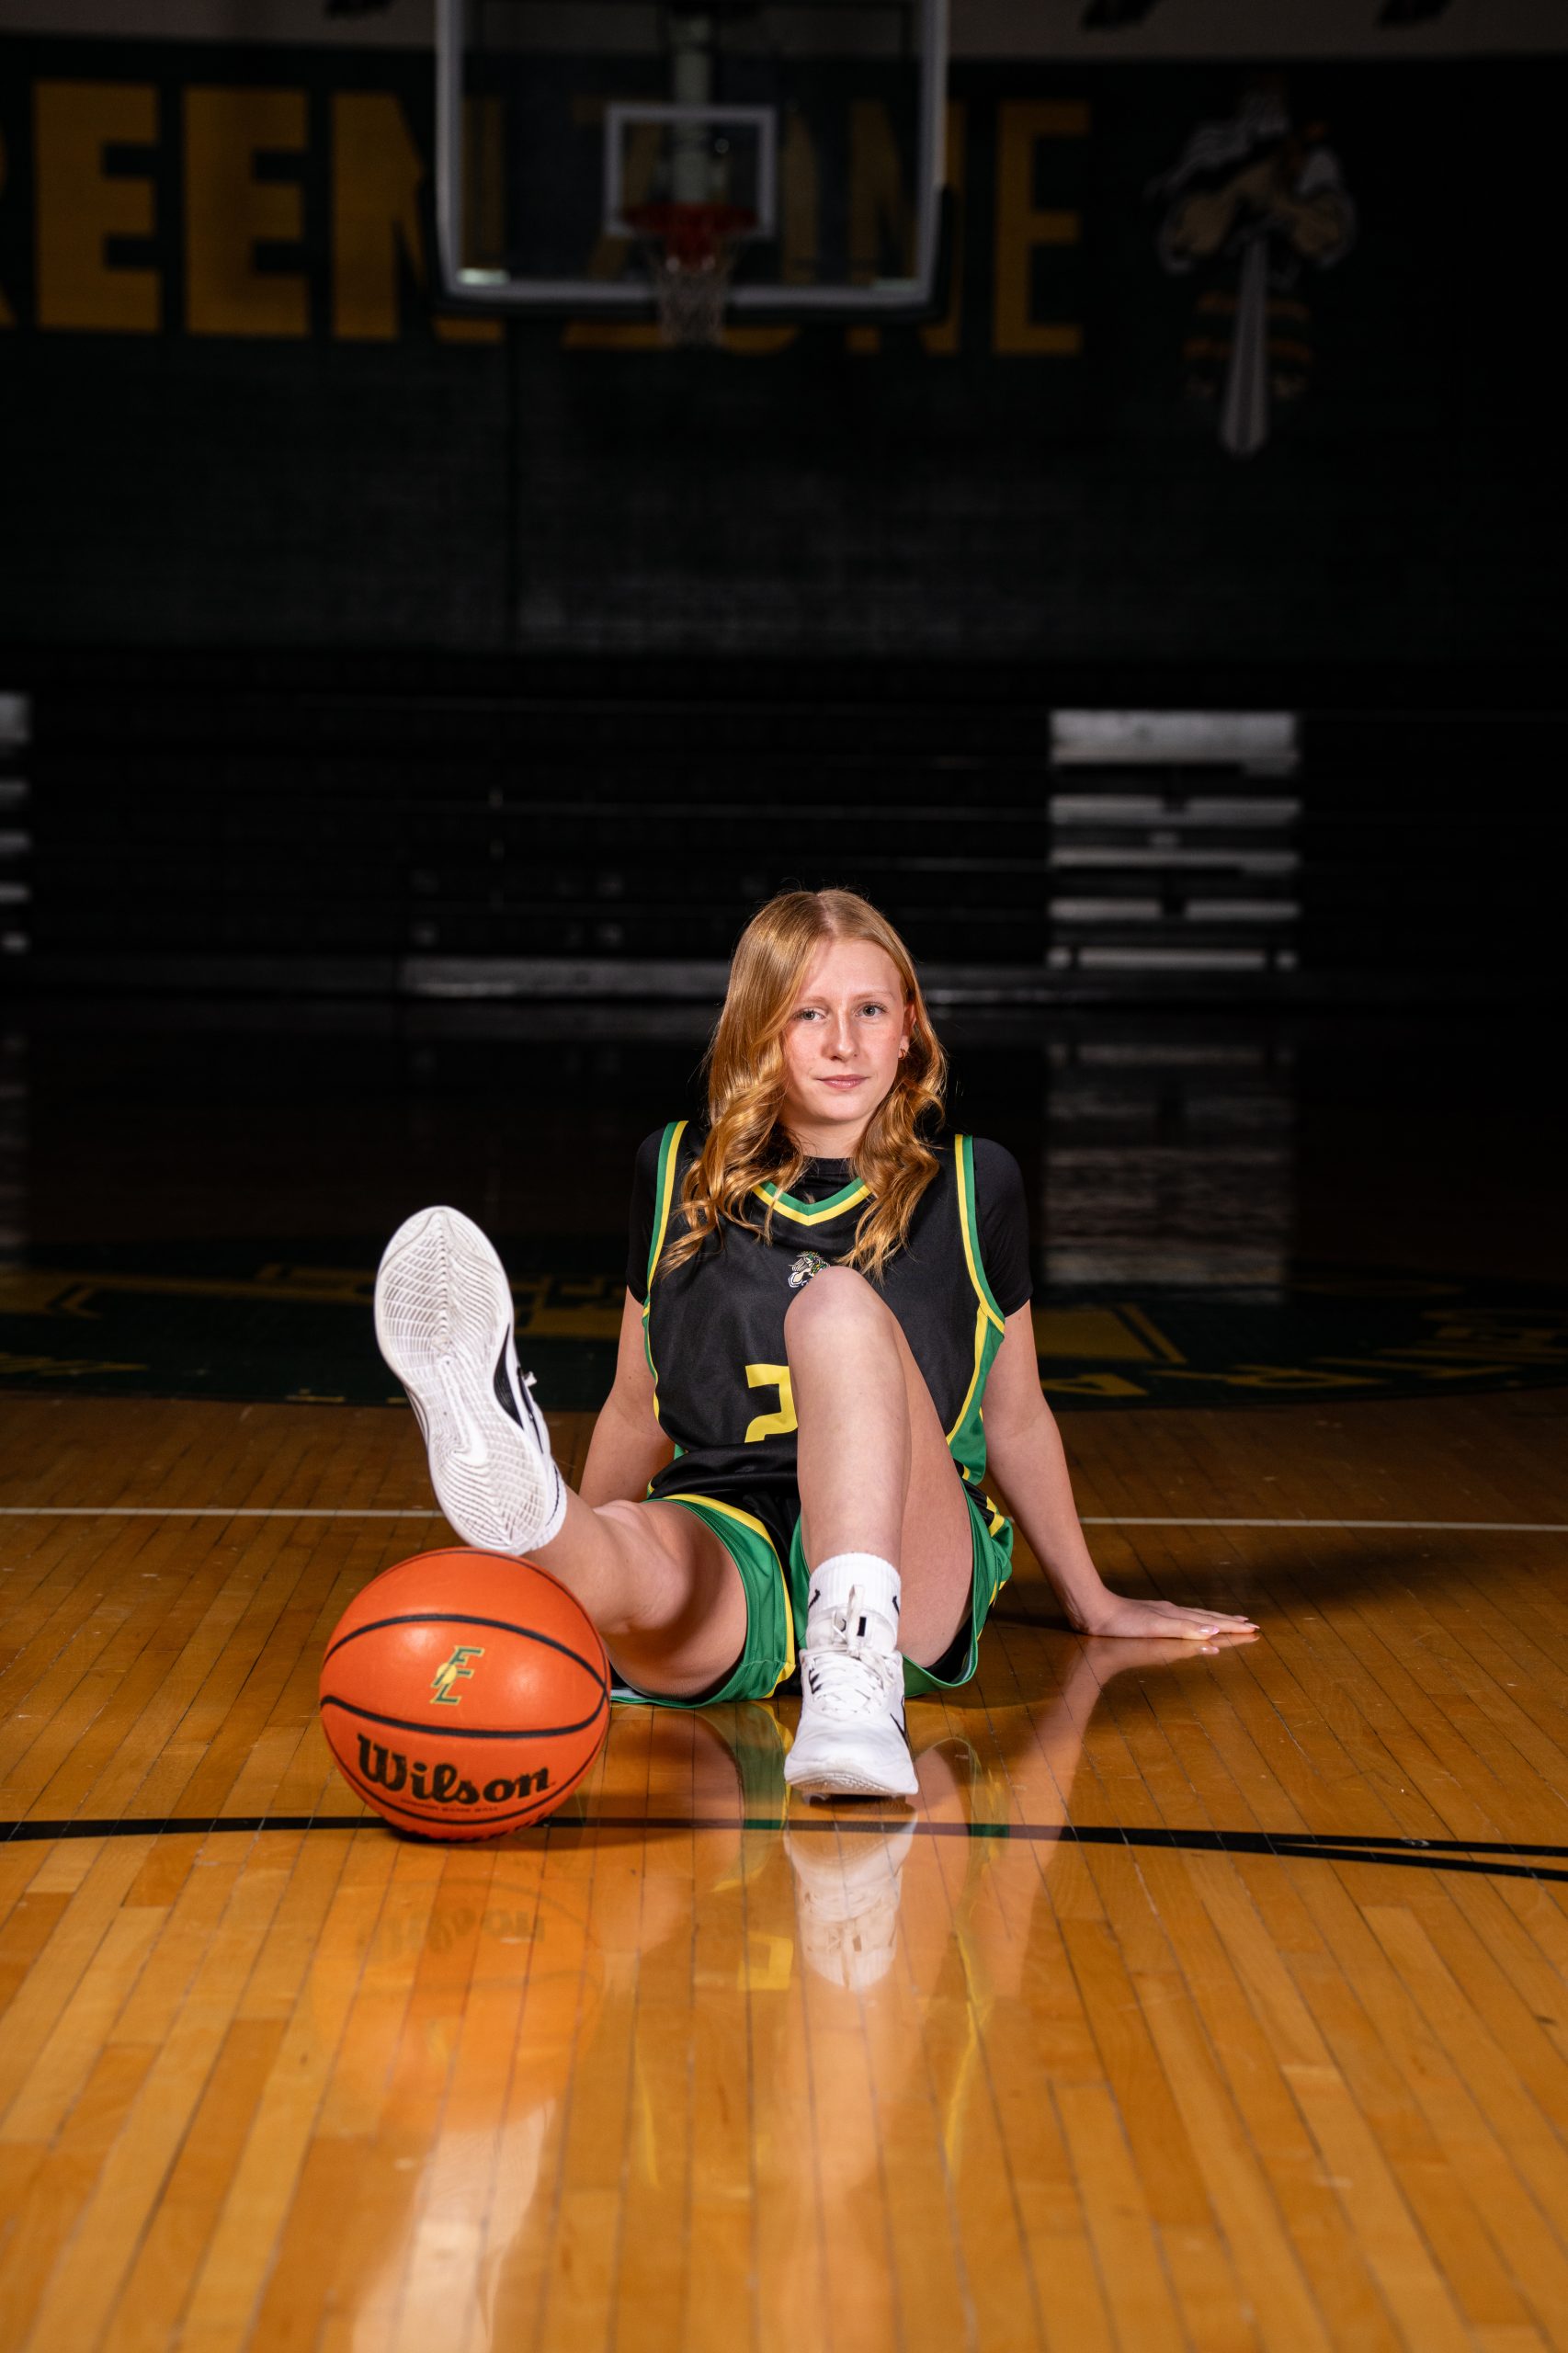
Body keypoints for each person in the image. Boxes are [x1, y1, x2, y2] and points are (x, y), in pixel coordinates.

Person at [373, 888, 1256, 1802]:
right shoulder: (674, 1170)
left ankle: (857, 1686)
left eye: (869, 1010)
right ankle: (544, 1520)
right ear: (760, 1031)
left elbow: (1015, 1415)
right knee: (639, 1553)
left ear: (907, 1028)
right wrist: (574, 1594)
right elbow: (638, 1405)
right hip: (729, 1514)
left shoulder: (972, 1183)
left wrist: (1090, 1598)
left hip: (914, 1542)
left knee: (834, 1302)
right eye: (809, 1014)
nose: (844, 1043)